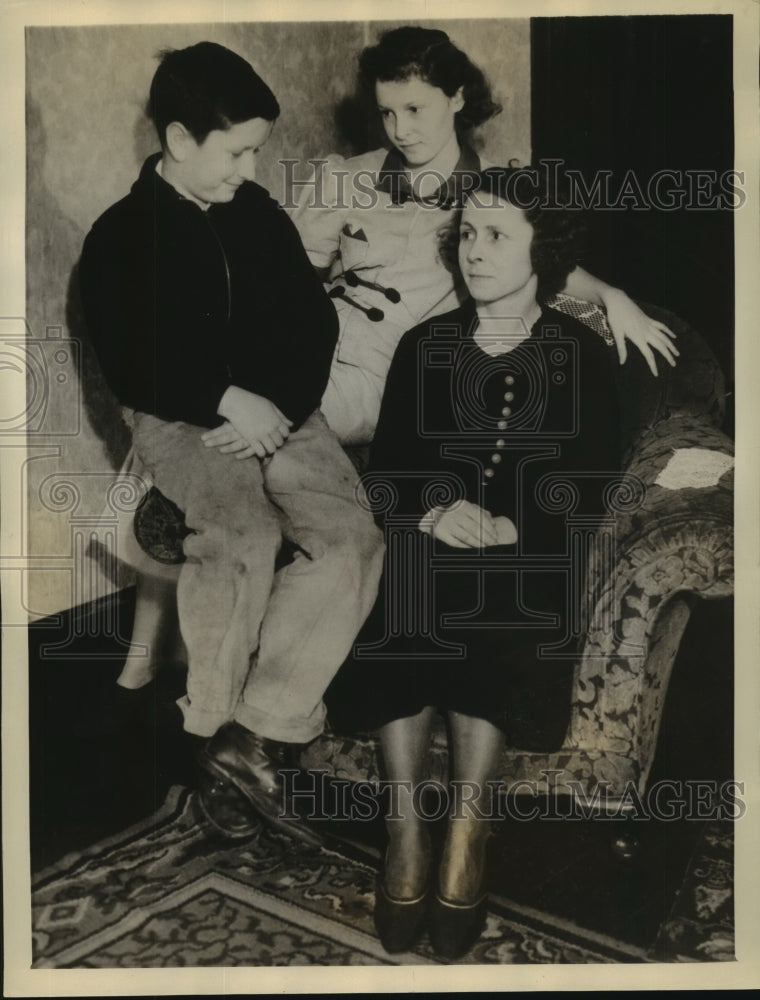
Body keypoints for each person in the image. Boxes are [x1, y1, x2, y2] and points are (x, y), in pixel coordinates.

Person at [79, 42, 385, 845]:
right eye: (238, 150)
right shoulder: (121, 235)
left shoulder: (253, 214)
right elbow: (129, 360)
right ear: (180, 140)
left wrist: (273, 409)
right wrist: (221, 399)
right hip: (179, 418)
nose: (250, 168)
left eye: (257, 149)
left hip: (280, 413)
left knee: (351, 538)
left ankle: (249, 735)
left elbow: (311, 322)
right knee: (241, 534)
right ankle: (213, 726)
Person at [332, 166, 623, 958]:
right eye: (467, 234)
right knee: (415, 586)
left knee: (495, 593)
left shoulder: (582, 357)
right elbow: (387, 471)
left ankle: (467, 830)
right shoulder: (426, 345)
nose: (475, 251)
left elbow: (590, 488)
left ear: (546, 249)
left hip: (527, 560)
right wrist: (434, 510)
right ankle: (403, 830)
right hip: (428, 546)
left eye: (498, 235)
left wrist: (512, 525)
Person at [288, 25, 678, 448]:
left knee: (264, 413)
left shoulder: (493, 193)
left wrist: (610, 296)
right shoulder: (347, 175)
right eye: (387, 112)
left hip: (378, 373)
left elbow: (543, 259)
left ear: (456, 97)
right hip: (310, 341)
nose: (399, 130)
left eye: (415, 109)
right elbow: (290, 277)